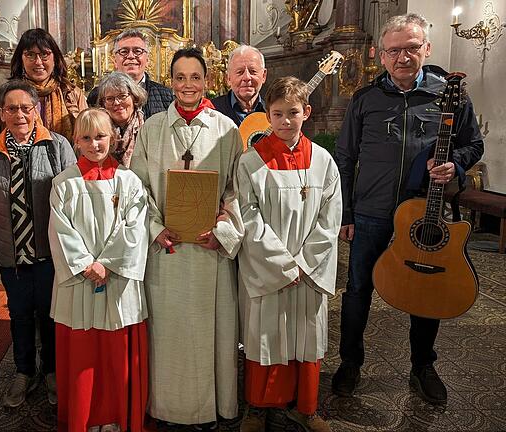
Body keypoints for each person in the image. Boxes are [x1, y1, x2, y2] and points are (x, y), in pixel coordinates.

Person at [333, 13, 484, 406]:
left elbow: (473, 144)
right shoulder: (365, 99)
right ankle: (350, 363)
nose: (403, 57)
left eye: (412, 48)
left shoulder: (447, 95)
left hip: (425, 213)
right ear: (380, 56)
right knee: (358, 290)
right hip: (371, 212)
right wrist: (346, 214)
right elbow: (345, 158)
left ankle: (423, 366)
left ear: (426, 49)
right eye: (394, 50)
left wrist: (457, 163)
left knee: (428, 286)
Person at [130, 48, 243, 430]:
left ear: (207, 81)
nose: (188, 85)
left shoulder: (227, 130)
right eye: (180, 77)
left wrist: (224, 231)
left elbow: (236, 192)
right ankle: (166, 408)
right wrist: (155, 228)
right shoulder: (151, 129)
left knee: (210, 334)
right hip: (169, 249)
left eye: (196, 77)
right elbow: (138, 190)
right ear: (171, 81)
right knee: (168, 336)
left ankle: (209, 409)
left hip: (209, 251)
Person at [236, 77, 341, 432]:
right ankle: (258, 408)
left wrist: (306, 263)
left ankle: (306, 408)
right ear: (267, 115)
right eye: (277, 114)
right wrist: (283, 264)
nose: (285, 121)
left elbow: (331, 219)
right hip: (270, 269)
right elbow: (247, 217)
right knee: (265, 337)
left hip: (308, 271)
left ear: (306, 113)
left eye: (292, 113)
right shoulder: (251, 162)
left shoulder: (323, 162)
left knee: (306, 336)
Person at [0, 79, 77, 408]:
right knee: (18, 316)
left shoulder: (57, 146)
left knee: (50, 316)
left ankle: (51, 372)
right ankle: (22, 372)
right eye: (11, 108)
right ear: (2, 113)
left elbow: (75, 199)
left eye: (26, 108)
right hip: (10, 254)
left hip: (50, 254)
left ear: (37, 110)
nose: (19, 114)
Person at [49, 108, 150, 432]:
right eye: (87, 138)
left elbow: (136, 228)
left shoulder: (129, 181)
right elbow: (60, 230)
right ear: (76, 141)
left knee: (115, 353)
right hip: (80, 281)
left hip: (117, 281)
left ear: (113, 137)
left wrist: (106, 264)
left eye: (101, 136)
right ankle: (85, 417)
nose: (95, 144)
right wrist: (85, 264)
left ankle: (119, 416)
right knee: (84, 354)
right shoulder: (64, 184)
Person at [0, 28, 87, 141]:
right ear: (21, 59)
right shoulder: (3, 98)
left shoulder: (72, 94)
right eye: (30, 55)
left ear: (55, 58)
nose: (38, 62)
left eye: (44, 54)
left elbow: (87, 138)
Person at [87, 29, 173, 119]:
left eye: (137, 51)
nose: (131, 56)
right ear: (115, 61)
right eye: (124, 51)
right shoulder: (97, 94)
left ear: (147, 59)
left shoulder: (165, 95)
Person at [95, 72, 147, 167]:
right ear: (103, 103)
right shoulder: (95, 130)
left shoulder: (147, 129)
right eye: (110, 99)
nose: (117, 103)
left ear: (134, 97)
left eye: (122, 96)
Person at [210, 44, 267, 127]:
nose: (247, 77)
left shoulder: (273, 113)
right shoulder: (211, 111)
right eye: (239, 72)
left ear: (263, 76)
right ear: (228, 78)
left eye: (253, 71)